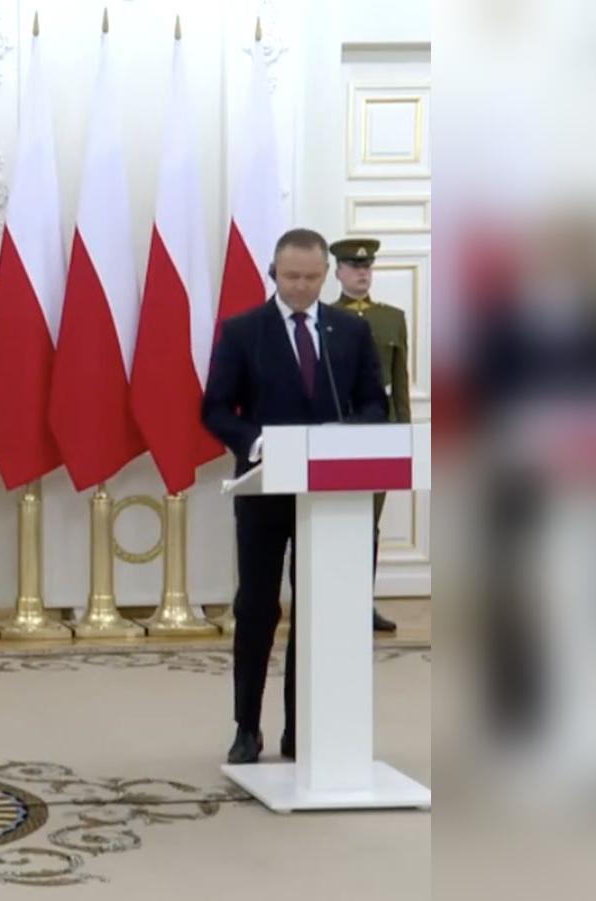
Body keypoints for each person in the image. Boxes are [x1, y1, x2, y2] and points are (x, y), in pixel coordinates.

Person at [202, 228, 389, 765]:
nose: (302, 287)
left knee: (318, 612)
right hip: (265, 490)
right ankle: (247, 727)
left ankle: (299, 728)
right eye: (291, 277)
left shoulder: (350, 331)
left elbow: (374, 404)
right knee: (257, 608)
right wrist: (257, 442)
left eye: (311, 277)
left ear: (326, 274)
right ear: (273, 272)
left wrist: (345, 435)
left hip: (330, 496)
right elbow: (216, 408)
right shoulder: (243, 331)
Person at [329, 237, 410, 633]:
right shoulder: (325, 317)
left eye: (367, 267)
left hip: (381, 433)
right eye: (354, 266)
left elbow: (400, 378)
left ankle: (363, 602)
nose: (362, 273)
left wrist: (404, 433)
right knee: (333, 519)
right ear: (338, 272)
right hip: (337, 430)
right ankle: (332, 601)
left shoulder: (392, 318)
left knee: (368, 521)